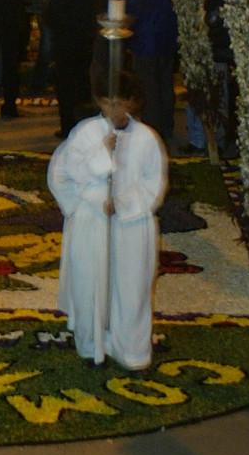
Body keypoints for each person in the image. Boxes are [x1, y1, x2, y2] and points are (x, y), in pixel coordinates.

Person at [48, 73, 167, 369]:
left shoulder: (147, 139)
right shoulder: (85, 133)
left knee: (130, 287)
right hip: (92, 222)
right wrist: (100, 161)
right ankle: (92, 344)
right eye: (108, 102)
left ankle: (131, 350)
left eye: (120, 103)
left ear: (132, 102)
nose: (113, 109)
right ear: (99, 101)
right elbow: (63, 173)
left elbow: (154, 183)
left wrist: (125, 204)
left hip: (131, 226)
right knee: (91, 283)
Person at [45, 0, 103, 139]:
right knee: (79, 85)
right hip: (82, 40)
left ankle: (70, 125)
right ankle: (77, 123)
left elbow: (59, 9)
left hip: (70, 41)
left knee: (69, 86)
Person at [125, 0, 179, 145]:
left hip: (145, 45)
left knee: (149, 87)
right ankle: (166, 125)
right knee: (165, 84)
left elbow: (130, 14)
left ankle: (153, 129)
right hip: (167, 44)